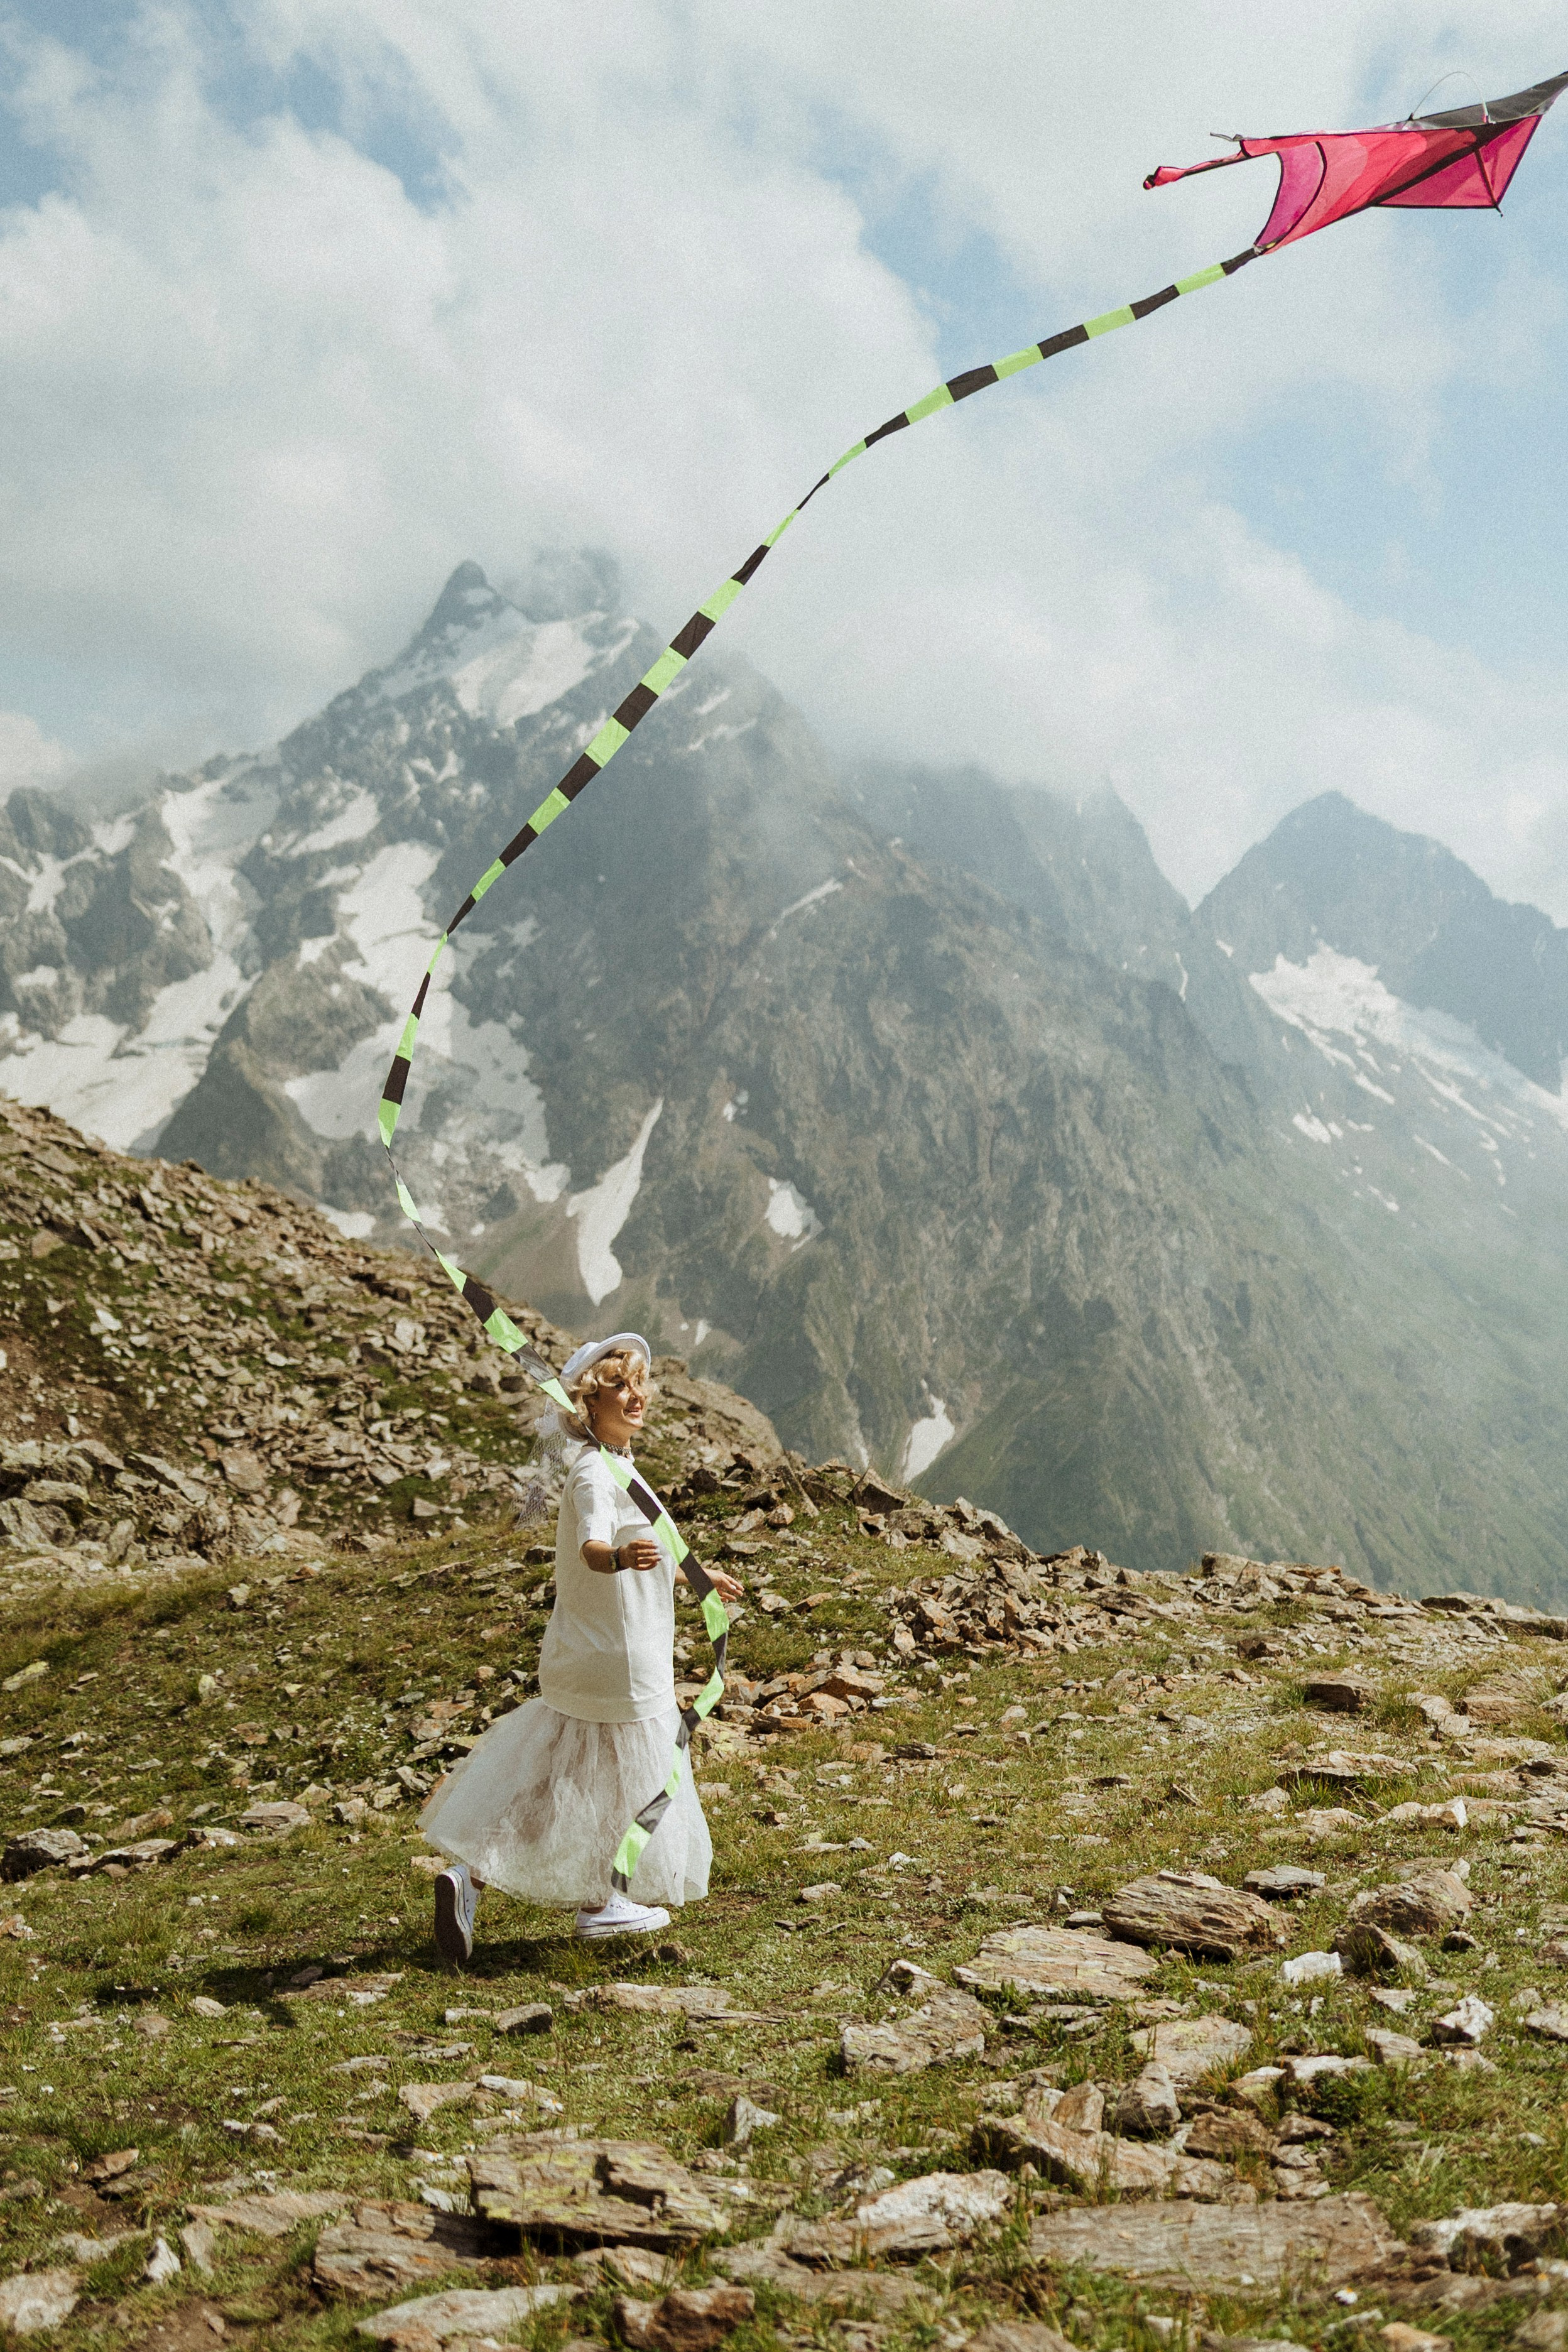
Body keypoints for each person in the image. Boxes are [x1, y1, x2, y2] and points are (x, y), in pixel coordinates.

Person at [421, 1332, 743, 1962]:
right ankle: (604, 1902)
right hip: (622, 1655)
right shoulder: (597, 1472)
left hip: (588, 1652)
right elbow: (596, 1548)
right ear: (589, 1404)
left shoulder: (617, 1465)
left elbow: (644, 1550)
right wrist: (620, 1557)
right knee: (629, 1779)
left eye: (639, 1384)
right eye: (618, 1386)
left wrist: (697, 1577)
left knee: (558, 1776)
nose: (635, 1396)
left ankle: (470, 1879)